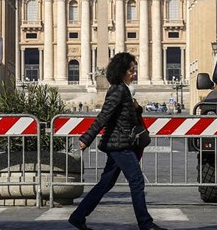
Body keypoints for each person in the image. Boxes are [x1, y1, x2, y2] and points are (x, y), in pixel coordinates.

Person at [69, 53, 166, 230]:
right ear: (122, 71)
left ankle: (78, 216)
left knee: (105, 183)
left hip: (118, 143)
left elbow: (124, 115)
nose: (134, 74)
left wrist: (137, 107)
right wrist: (87, 138)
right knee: (136, 180)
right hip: (120, 145)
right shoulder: (118, 90)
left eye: (135, 70)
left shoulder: (122, 90)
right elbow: (104, 116)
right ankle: (145, 224)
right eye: (131, 70)